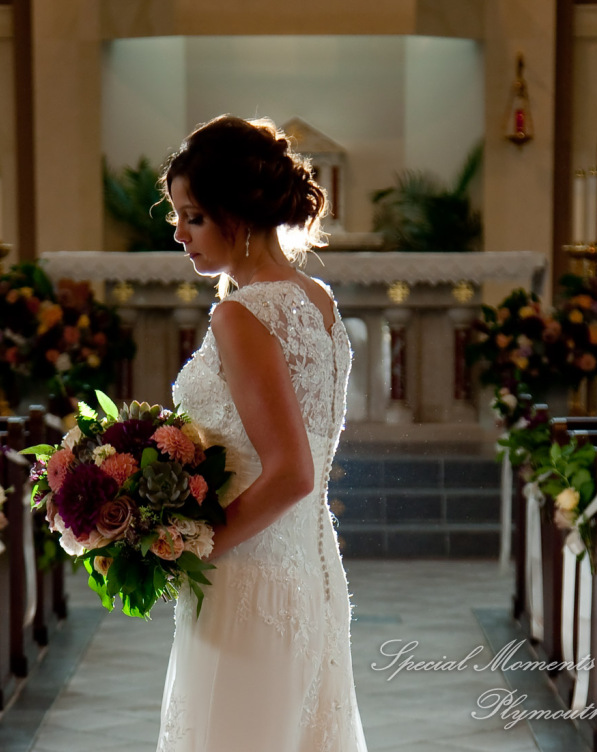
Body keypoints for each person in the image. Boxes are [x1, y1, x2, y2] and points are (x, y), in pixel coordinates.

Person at [158, 115, 369, 752]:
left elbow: (291, 472)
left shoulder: (240, 313)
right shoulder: (318, 300)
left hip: (248, 579)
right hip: (308, 568)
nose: (180, 232)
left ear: (236, 213)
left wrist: (194, 545)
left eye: (193, 216)